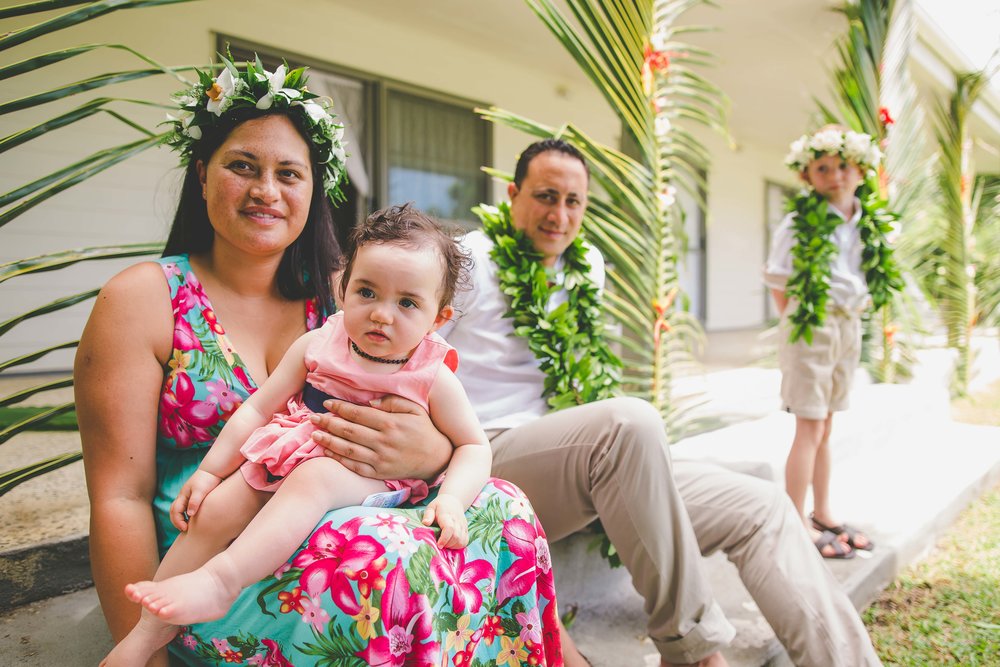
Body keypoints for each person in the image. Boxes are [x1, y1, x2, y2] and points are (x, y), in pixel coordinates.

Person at [315, 139, 884, 667]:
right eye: (544, 196)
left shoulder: (587, 268)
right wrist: (433, 450)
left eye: (573, 202)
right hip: (487, 457)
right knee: (628, 424)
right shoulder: (465, 264)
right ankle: (694, 650)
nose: (559, 216)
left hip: (585, 454)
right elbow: (374, 344)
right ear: (512, 195)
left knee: (760, 504)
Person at [77, 58, 561, 667]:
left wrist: (432, 456)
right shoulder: (144, 298)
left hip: (348, 505)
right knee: (386, 554)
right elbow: (119, 497)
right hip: (213, 544)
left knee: (504, 505)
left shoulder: (349, 298)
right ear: (201, 175)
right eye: (242, 167)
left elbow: (451, 439)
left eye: (289, 173)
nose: (266, 191)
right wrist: (140, 648)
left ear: (315, 191)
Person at [102, 204, 493, 666]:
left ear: (438, 318)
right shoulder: (318, 343)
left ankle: (221, 584)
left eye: (407, 303)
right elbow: (257, 408)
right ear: (344, 289)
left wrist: (450, 499)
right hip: (291, 451)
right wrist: (210, 473)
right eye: (367, 292)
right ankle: (146, 633)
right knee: (217, 509)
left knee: (316, 479)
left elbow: (473, 444)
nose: (382, 315)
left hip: (365, 475)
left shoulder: (430, 374)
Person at [766, 125, 901, 559]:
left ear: (861, 169)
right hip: (811, 324)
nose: (835, 175)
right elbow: (778, 282)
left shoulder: (867, 221)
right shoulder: (796, 224)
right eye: (822, 167)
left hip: (847, 326)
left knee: (826, 425)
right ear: (807, 175)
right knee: (808, 425)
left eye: (843, 166)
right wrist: (802, 322)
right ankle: (793, 521)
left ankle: (823, 512)